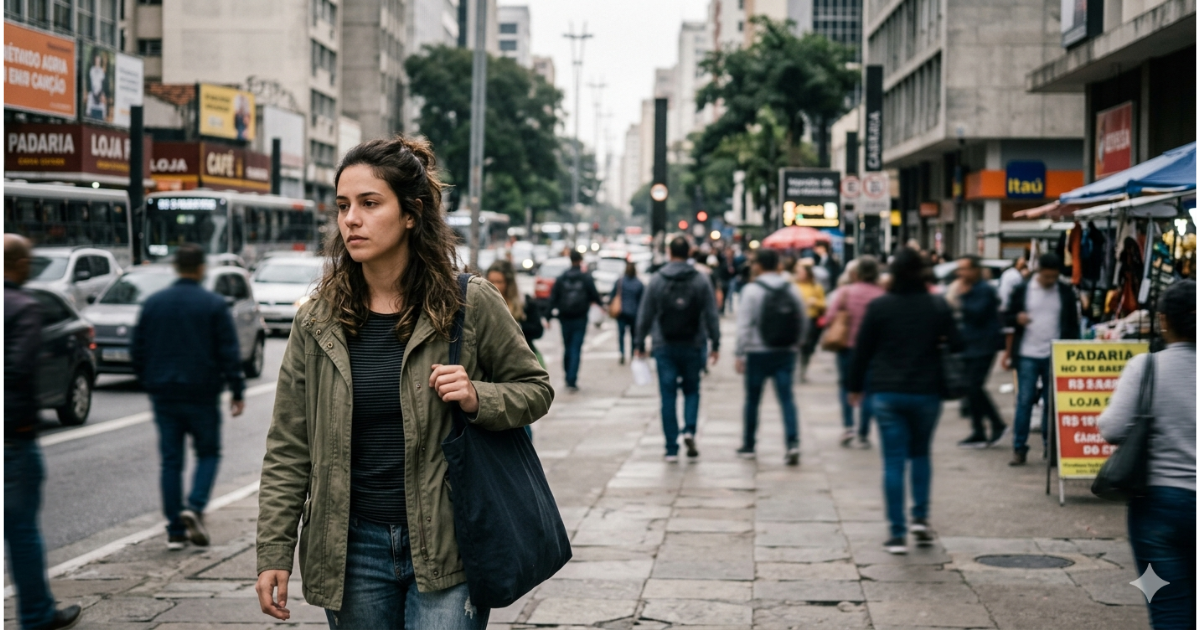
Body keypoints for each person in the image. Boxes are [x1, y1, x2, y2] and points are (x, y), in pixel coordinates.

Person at [254, 136, 553, 629]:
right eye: (344, 206)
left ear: (411, 214)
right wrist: (274, 551)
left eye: (370, 204)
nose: (351, 219)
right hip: (352, 552)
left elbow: (536, 387)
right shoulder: (318, 320)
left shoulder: (468, 303)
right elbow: (289, 445)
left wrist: (480, 396)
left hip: (447, 543)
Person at [132, 243, 245, 551]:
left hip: (164, 393)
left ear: (177, 267)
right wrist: (237, 389)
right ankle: (194, 507)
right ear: (200, 269)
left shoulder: (154, 303)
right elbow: (228, 352)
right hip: (202, 392)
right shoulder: (212, 304)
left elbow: (137, 349)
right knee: (208, 453)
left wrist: (149, 380)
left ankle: (175, 529)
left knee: (171, 460)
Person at [848, 248, 962, 555]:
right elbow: (958, 342)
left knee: (893, 462)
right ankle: (920, 518)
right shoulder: (937, 305)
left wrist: (854, 386)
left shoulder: (880, 306)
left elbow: (862, 351)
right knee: (921, 454)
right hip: (926, 391)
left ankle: (897, 534)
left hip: (886, 393)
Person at [1099, 280, 1195, 630]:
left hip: (1159, 509)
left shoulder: (1146, 368)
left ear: (1163, 321)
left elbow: (1111, 428)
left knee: (1169, 609)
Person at [4, 234, 84, 630]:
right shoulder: (22, 307)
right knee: (21, 530)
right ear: (20, 265)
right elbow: (18, 372)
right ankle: (35, 613)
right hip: (13, 438)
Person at [634, 236, 721, 462]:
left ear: (670, 253)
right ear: (689, 253)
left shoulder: (657, 279)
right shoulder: (700, 279)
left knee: (668, 395)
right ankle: (690, 430)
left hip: (664, 345)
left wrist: (639, 343)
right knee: (692, 390)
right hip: (694, 343)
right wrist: (716, 343)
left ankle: (671, 448)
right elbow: (711, 313)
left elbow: (645, 314)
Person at [1003, 253, 1081, 466]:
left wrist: (1072, 351)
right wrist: (1016, 319)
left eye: (1053, 277)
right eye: (1046, 276)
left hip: (1055, 354)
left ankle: (1050, 448)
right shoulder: (1023, 289)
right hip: (1027, 354)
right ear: (1038, 271)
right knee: (1025, 401)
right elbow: (1006, 316)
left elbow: (1072, 325)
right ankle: (1019, 448)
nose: (1050, 281)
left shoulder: (1064, 292)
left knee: (1051, 402)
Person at [735, 248, 807, 465]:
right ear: (778, 265)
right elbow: (803, 318)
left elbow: (744, 325)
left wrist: (740, 352)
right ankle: (792, 442)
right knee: (787, 399)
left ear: (757, 265)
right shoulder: (791, 288)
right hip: (785, 351)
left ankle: (749, 444)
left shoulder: (751, 290)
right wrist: (797, 342)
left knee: (752, 400)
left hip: (757, 352)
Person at [952, 256, 1007, 449]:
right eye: (959, 270)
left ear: (975, 270)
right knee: (970, 388)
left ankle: (996, 424)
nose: (961, 274)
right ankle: (978, 431)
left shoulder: (984, 290)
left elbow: (977, 314)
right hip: (970, 344)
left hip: (984, 345)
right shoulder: (971, 288)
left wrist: (964, 296)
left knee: (974, 386)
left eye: (964, 269)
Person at [830, 256, 885, 448]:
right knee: (869, 391)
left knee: (847, 386)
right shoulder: (882, 294)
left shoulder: (845, 292)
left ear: (856, 273)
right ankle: (863, 432)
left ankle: (848, 427)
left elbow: (830, 317)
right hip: (874, 350)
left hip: (847, 347)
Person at [549, 250, 602, 393]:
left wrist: (548, 316)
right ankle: (572, 379)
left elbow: (553, 297)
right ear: (580, 260)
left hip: (565, 317)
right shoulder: (585, 278)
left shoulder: (562, 278)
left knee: (567, 347)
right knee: (576, 348)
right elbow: (594, 295)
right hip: (580, 317)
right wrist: (601, 306)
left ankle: (567, 376)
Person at [792, 261, 826, 383]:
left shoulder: (816, 287)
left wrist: (814, 302)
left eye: (801, 272)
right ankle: (794, 370)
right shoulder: (792, 286)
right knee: (794, 347)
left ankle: (803, 371)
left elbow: (824, 304)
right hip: (795, 320)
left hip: (812, 320)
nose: (798, 274)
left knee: (808, 348)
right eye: (797, 272)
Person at [610, 261, 645, 365]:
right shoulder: (639, 283)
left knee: (621, 335)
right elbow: (643, 300)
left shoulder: (620, 281)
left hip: (621, 312)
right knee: (633, 335)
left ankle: (622, 353)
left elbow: (613, 295)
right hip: (634, 313)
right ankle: (632, 353)